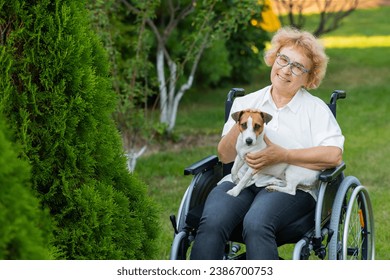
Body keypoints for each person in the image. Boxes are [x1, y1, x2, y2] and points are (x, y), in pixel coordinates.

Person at [190, 27, 345, 260]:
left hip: (289, 186)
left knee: (257, 222)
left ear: (308, 77)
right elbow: (224, 156)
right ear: (274, 59)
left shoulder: (316, 110)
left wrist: (283, 155)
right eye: (283, 59)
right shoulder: (246, 102)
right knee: (212, 220)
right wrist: (242, 122)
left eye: (298, 67)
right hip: (241, 179)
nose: (286, 70)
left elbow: (333, 156)